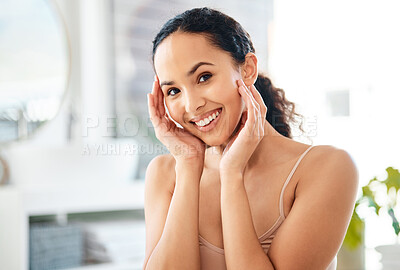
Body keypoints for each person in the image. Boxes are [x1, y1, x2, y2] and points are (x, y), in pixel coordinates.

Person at [143, 7, 358, 270]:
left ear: (247, 70)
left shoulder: (326, 167)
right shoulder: (165, 174)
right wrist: (188, 166)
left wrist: (232, 173)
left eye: (204, 77)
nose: (191, 105)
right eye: (173, 90)